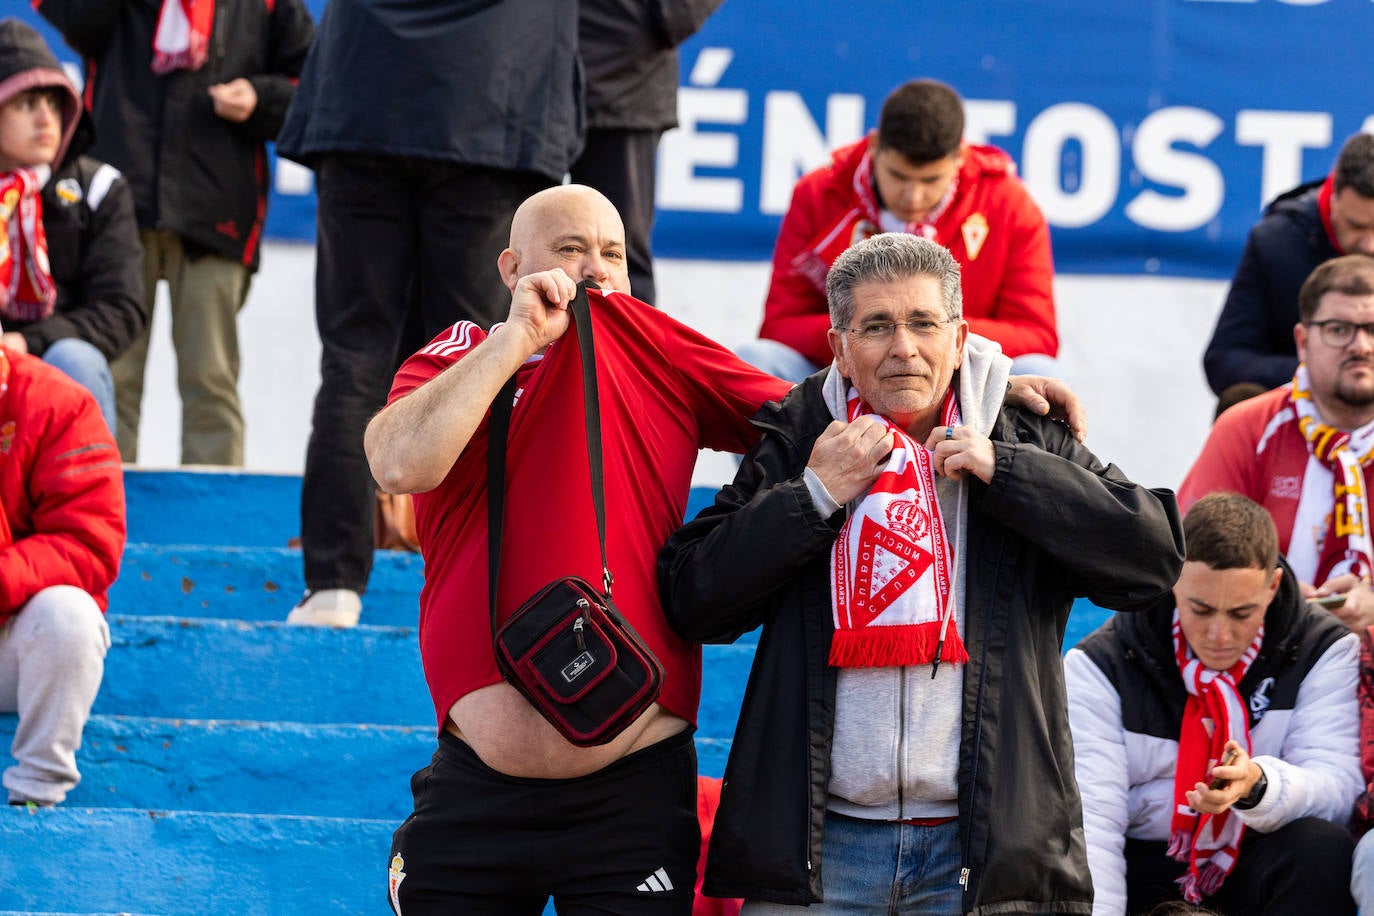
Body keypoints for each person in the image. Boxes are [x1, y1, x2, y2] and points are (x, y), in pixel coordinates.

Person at [364, 186, 1086, 914]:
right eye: (570, 249)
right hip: (478, 787)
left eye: (612, 253)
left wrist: (962, 390)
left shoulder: (654, 343)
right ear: (512, 267)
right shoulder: (459, 353)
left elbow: (838, 413)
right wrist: (516, 338)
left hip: (633, 791)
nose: (594, 270)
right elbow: (399, 465)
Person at [657, 233, 1183, 913]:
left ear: (960, 338)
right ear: (840, 347)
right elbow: (693, 599)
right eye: (877, 326)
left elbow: (1153, 560)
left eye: (923, 323)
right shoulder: (799, 440)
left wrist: (1010, 474)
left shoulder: (1021, 435)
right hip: (822, 852)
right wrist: (812, 496)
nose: (904, 347)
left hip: (985, 852)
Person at [276, 0, 580, 627]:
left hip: (366, 102)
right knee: (476, 359)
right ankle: (477, 577)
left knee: (358, 355)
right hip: (490, 104)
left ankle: (333, 581)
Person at [36, 0, 315, 466]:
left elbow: (316, 83)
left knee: (210, 378)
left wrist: (259, 97)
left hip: (216, 210)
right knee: (111, 374)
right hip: (114, 212)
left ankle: (215, 523)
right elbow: (73, 19)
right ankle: (101, 508)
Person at [1066, 492, 1360, 916]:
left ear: (1273, 586)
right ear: (1172, 580)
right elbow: (1092, 826)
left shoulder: (1324, 649)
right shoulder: (1098, 665)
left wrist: (1257, 786)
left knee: (1321, 846)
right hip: (1148, 865)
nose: (1218, 636)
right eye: (1200, 609)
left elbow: (1338, 791)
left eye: (1242, 613)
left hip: (1257, 854)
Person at [737, 78, 1058, 384]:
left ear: (960, 157)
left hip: (962, 377)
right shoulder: (818, 194)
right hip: (846, 373)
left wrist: (931, 336)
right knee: (756, 360)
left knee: (1042, 372)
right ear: (874, 147)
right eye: (898, 176)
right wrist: (870, 336)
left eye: (930, 180)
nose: (912, 196)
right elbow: (779, 328)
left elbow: (1037, 337)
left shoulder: (1009, 204)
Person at [1180, 254, 1374, 631]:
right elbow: (1188, 560)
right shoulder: (1246, 428)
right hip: (1263, 649)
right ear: (1302, 341)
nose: (1360, 346)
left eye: (1372, 328)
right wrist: (1270, 597)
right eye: (1338, 329)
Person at [0, 21, 144, 437]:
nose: (47, 118)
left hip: (50, 361)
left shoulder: (99, 188)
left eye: (53, 102)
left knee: (75, 359)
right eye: (27, 104)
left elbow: (120, 309)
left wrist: (27, 344)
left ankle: (85, 502)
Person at [0, 343, 125, 806]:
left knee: (70, 617)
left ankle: (36, 796)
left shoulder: (56, 402)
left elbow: (88, 545)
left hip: (11, 642)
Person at [571, 0, 724, 305]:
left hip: (625, 78)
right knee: (513, 246)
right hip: (527, 76)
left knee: (617, 252)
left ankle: (630, 353)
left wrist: (653, 18)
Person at [1204, 133, 1374, 406]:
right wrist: (1322, 370)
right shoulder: (1277, 242)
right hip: (1302, 413)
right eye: (1356, 226)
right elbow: (1225, 360)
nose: (1369, 244)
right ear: (1333, 195)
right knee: (1237, 402)